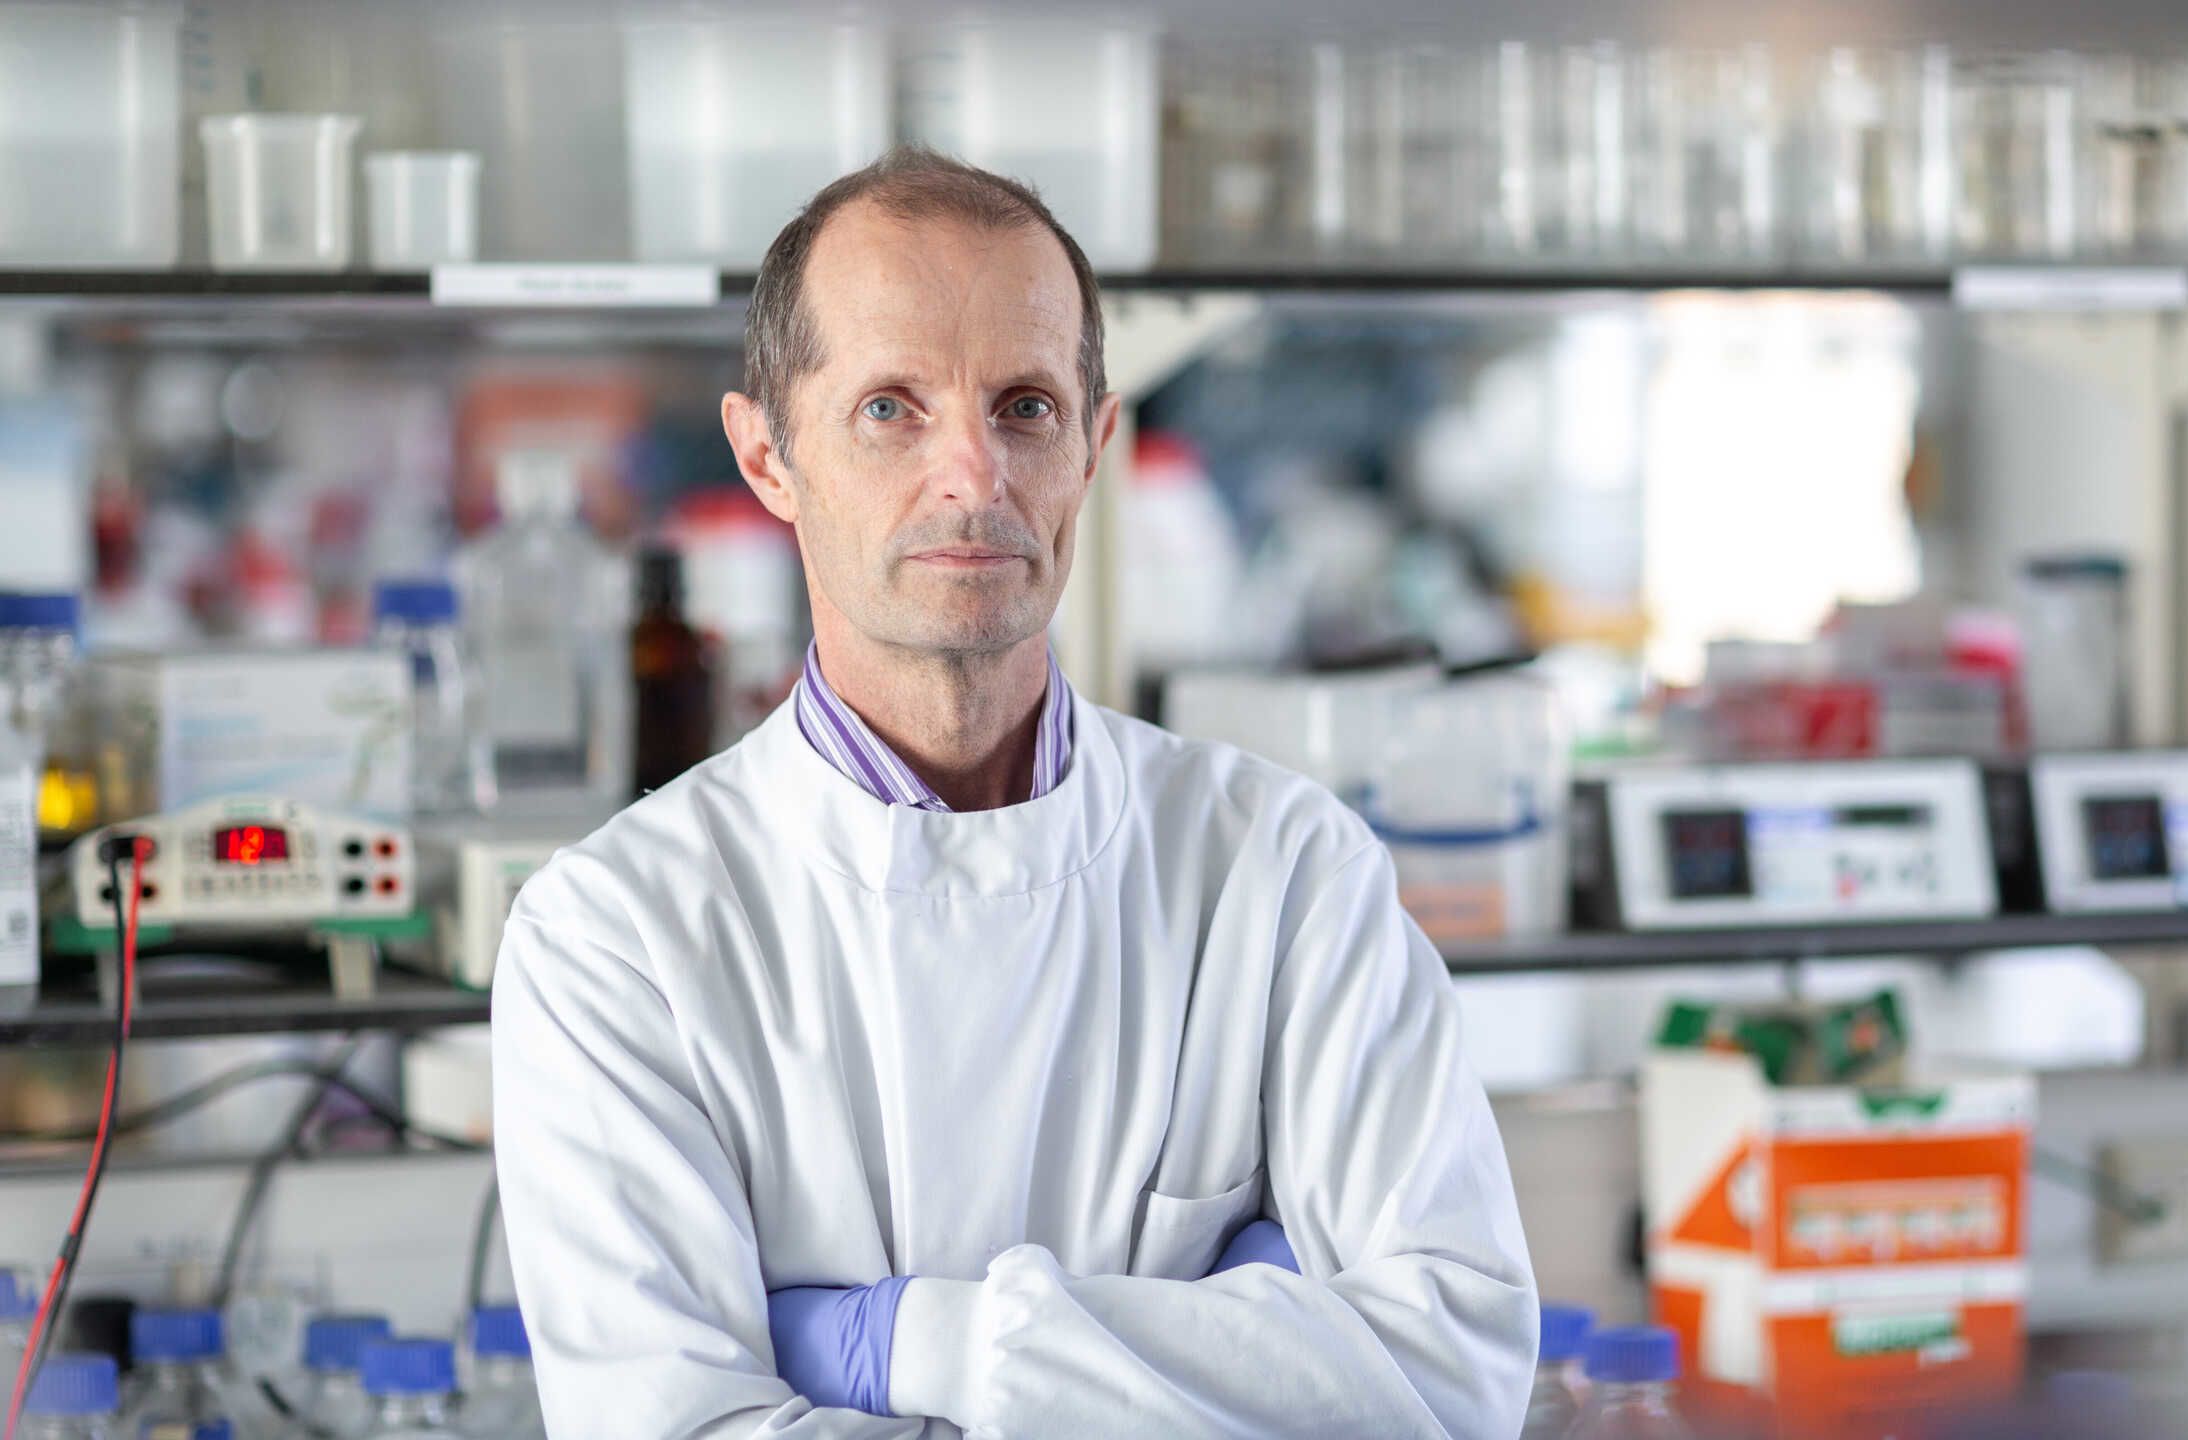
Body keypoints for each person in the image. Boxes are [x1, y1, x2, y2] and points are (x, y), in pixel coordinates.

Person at [490, 147, 1539, 1438]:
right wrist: (1234, 1341)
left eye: (1026, 406)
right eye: (891, 408)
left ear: (1096, 442)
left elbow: (1456, 1375)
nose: (975, 478)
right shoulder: (616, 936)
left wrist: (895, 1346)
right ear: (767, 456)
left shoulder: (1282, 870)